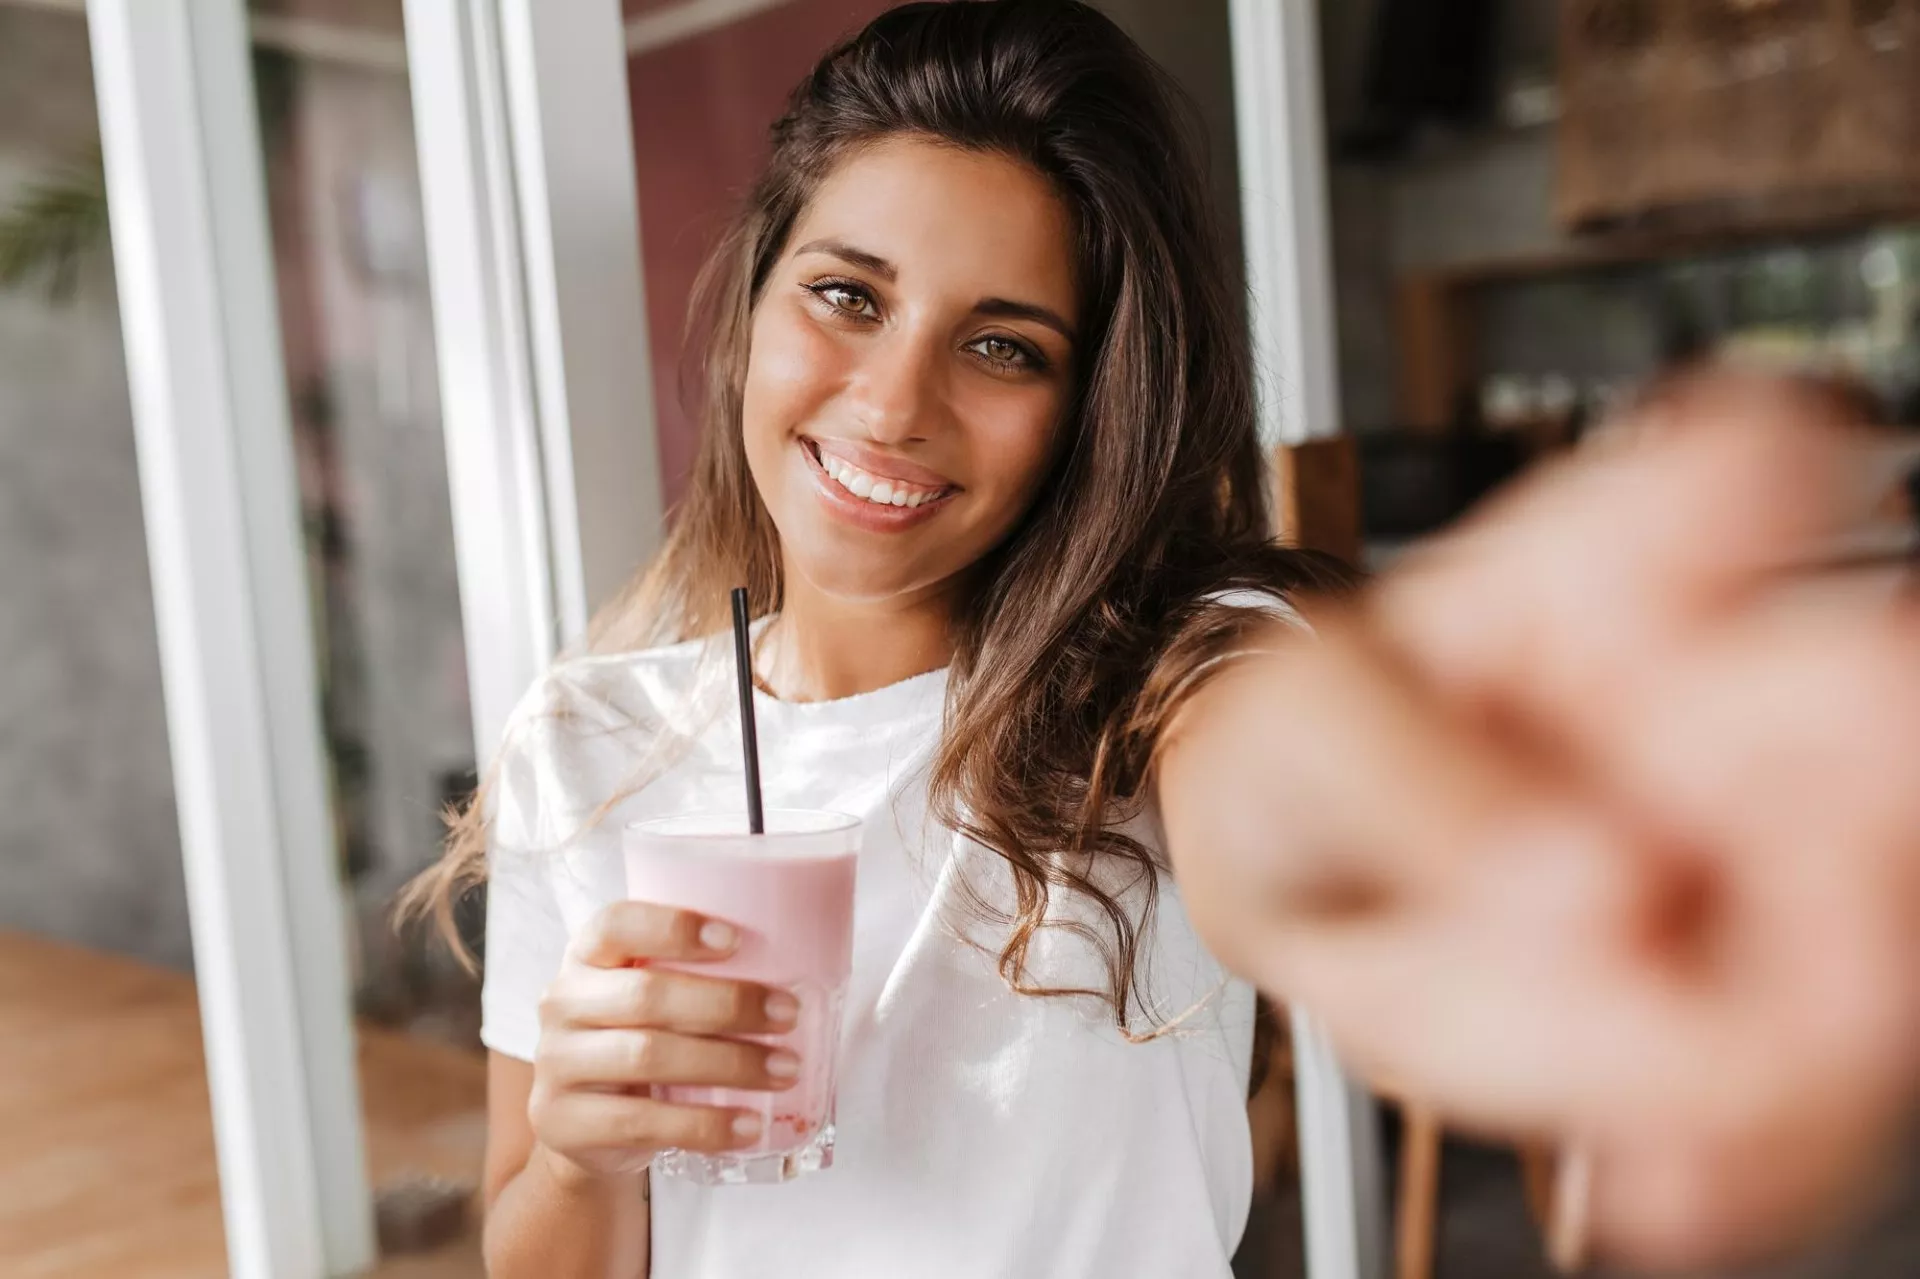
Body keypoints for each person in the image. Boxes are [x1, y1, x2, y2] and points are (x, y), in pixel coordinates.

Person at [403, 2, 1920, 1275]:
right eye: (847, 294)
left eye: (1005, 345)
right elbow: (532, 1246)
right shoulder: (587, 746)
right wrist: (589, 1156)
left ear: (1090, 410)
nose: (893, 400)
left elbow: (1269, 758)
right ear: (754, 308)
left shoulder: (1159, 684)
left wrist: (1470, 836)